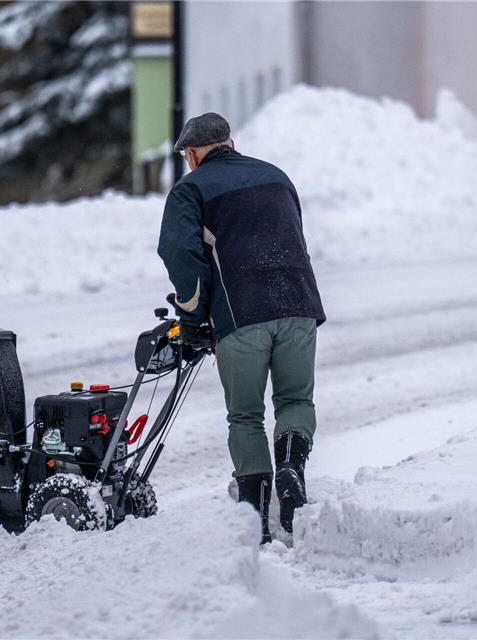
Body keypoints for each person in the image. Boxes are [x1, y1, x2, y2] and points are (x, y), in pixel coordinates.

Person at [158, 113, 325, 544]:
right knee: (294, 399)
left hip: (241, 315)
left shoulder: (190, 190)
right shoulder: (276, 176)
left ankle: (255, 516)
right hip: (300, 305)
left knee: (245, 414)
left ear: (193, 154)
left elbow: (181, 256)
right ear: (230, 143)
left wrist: (193, 319)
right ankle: (291, 466)